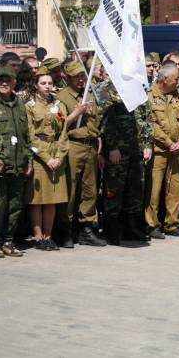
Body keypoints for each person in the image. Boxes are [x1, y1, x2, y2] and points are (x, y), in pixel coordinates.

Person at [56, 61, 106, 248]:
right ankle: (65, 229)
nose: (80, 80)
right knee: (71, 188)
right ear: (68, 77)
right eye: (76, 76)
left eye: (82, 76)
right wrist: (76, 113)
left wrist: (98, 141)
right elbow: (58, 125)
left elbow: (96, 122)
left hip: (90, 145)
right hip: (73, 145)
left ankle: (87, 227)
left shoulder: (90, 95)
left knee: (90, 190)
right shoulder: (62, 97)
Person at [98, 75, 150, 245]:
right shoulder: (109, 91)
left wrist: (146, 143)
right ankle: (111, 229)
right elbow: (106, 122)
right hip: (118, 151)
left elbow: (145, 120)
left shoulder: (136, 91)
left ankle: (131, 228)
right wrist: (112, 147)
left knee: (134, 190)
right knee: (114, 189)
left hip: (135, 148)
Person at [0, 66, 31, 258]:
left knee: (15, 206)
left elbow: (26, 135)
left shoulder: (19, 103)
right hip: (0, 164)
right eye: (1, 79)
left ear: (15, 82)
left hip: (18, 163)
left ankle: (8, 241)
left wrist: (28, 159)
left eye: (8, 80)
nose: (4, 83)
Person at [26, 68, 69, 251]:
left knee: (52, 198)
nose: (47, 86)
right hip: (39, 155)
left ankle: (48, 235)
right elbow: (30, 135)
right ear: (36, 85)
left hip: (56, 152)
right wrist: (46, 157)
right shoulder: (30, 106)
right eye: (43, 83)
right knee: (37, 199)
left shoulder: (59, 104)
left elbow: (64, 132)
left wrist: (58, 156)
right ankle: (38, 237)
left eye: (50, 83)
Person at [145, 63, 179, 239]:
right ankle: (152, 225)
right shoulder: (150, 95)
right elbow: (151, 124)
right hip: (159, 151)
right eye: (176, 79)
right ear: (164, 79)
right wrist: (169, 142)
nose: (178, 81)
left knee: (175, 188)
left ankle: (172, 223)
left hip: (176, 151)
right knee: (154, 190)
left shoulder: (176, 95)